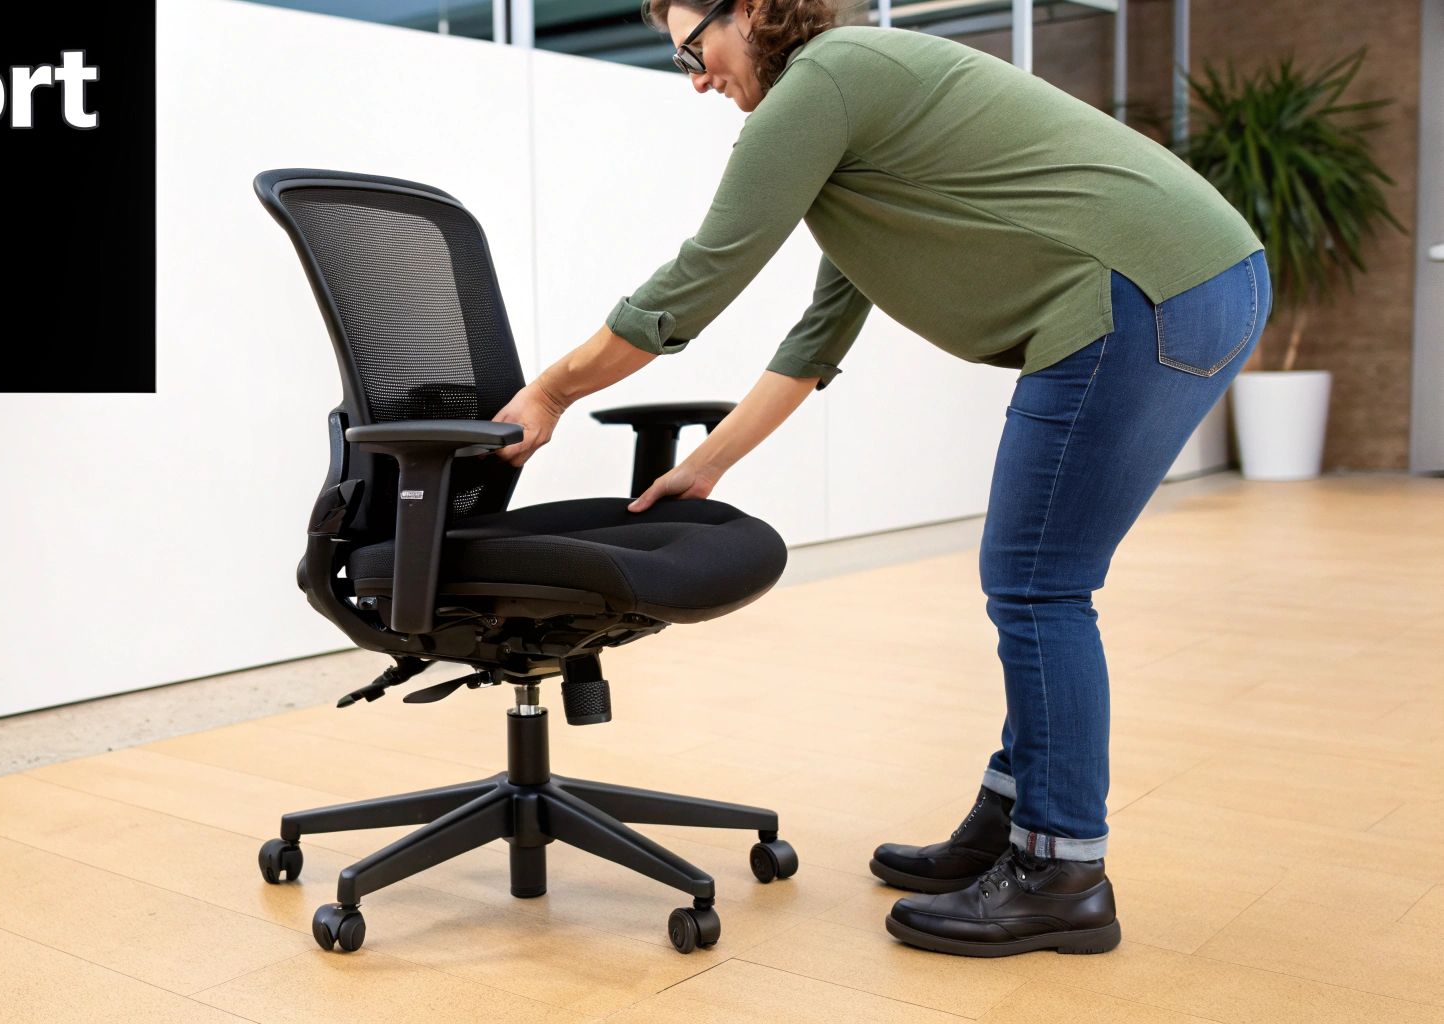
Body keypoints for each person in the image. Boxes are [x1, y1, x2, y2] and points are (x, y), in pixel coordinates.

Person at [488, 0, 1271, 957]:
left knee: (1038, 584)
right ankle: (1015, 827)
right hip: (1187, 282)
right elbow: (819, 335)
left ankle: (1061, 873)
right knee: (1037, 582)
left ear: (761, 10)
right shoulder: (862, 103)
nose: (695, 77)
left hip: (1141, 290)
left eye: (697, 47)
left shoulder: (823, 83)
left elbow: (699, 278)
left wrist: (553, 392)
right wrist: (707, 465)